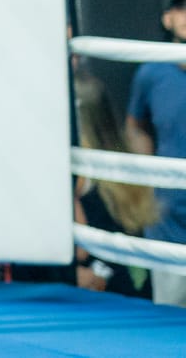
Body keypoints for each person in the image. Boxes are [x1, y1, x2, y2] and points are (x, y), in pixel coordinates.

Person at [125, 0, 186, 307]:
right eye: (182, 8)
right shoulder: (152, 72)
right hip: (169, 211)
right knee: (170, 313)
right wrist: (148, 181)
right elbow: (135, 127)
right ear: (167, 17)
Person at [75, 71, 154, 299]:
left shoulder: (78, 173)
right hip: (131, 287)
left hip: (102, 287)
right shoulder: (122, 166)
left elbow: (80, 253)